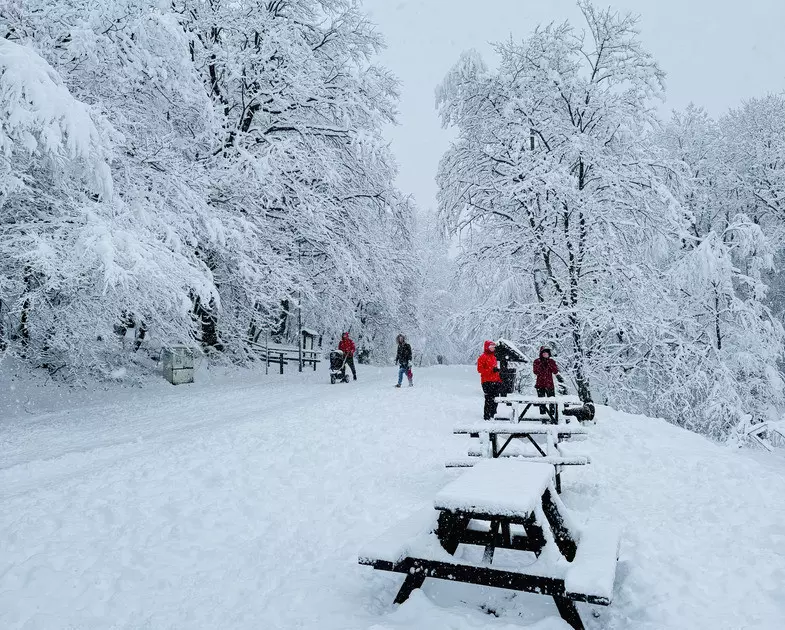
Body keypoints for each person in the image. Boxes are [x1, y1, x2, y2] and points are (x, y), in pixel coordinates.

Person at [477, 340, 503, 420]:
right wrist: (491, 370)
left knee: (496, 398)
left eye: (493, 347)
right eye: (491, 346)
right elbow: (480, 369)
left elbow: (494, 371)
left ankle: (493, 414)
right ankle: (487, 416)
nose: (493, 348)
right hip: (486, 381)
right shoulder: (482, 357)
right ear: (487, 347)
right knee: (489, 398)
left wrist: (499, 380)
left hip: (495, 381)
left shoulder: (494, 357)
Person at [533, 346, 559, 414]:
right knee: (541, 402)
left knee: (552, 402)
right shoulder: (537, 361)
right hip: (540, 385)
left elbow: (555, 371)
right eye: (543, 352)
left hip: (549, 384)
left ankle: (552, 417)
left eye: (546, 352)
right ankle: (543, 416)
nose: (545, 354)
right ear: (541, 353)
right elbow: (535, 371)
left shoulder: (551, 361)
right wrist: (542, 363)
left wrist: (549, 363)